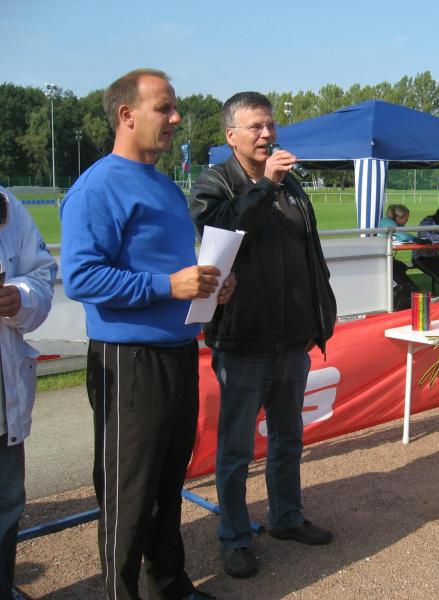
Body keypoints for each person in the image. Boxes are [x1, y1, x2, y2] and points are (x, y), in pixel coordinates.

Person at [60, 68, 234, 600]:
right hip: (128, 360)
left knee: (167, 482)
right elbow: (81, 278)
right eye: (164, 108)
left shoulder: (162, 184)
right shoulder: (97, 187)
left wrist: (210, 286)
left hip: (178, 352)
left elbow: (172, 269)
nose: (176, 118)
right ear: (126, 115)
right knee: (128, 491)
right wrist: (169, 285)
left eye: (174, 107)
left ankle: (170, 583)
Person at [189, 91, 337, 580]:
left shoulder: (291, 185)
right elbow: (221, 234)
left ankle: (287, 517)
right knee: (235, 450)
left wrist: (320, 312)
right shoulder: (215, 184)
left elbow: (309, 253)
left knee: (288, 437)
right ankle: (233, 537)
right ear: (231, 135)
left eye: (270, 125)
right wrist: (264, 186)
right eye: (255, 126)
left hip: (291, 339)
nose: (267, 134)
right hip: (243, 341)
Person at [0, 188, 57, 600]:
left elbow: (40, 276)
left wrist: (18, 297)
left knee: (7, 505)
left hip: (3, 401)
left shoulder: (6, 205)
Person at [378, 204, 419, 310]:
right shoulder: (387, 222)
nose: (406, 222)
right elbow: (404, 237)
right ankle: (411, 299)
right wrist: (416, 239)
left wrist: (415, 238)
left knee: (401, 271)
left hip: (386, 258)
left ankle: (415, 297)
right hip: (381, 261)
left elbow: (403, 236)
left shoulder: (388, 222)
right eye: (406, 219)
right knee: (398, 279)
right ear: (398, 217)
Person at [412, 204, 439, 289]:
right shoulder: (428, 221)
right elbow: (424, 234)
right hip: (420, 256)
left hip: (434, 256)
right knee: (438, 275)